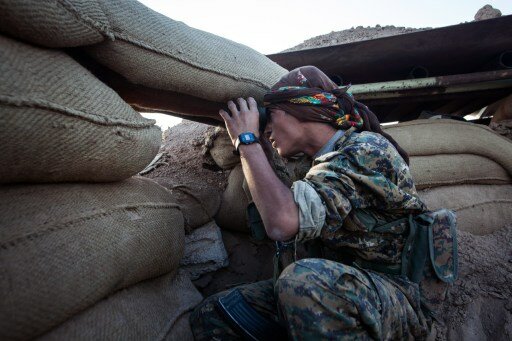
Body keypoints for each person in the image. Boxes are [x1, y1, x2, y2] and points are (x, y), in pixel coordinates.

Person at [190, 66, 456, 340]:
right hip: (339, 288)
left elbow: (283, 223)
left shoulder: (366, 150)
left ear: (300, 109)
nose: (266, 128)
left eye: (270, 116)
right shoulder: (314, 164)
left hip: (395, 297)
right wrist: (260, 148)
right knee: (217, 313)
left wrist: (246, 142)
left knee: (302, 282)